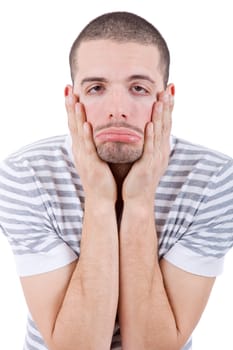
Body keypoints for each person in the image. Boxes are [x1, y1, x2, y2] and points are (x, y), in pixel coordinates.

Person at [0, 11, 233, 350]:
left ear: (165, 98)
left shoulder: (213, 179)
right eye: (96, 88)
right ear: (72, 98)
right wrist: (98, 197)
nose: (117, 109)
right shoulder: (26, 174)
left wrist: (139, 202)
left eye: (138, 88)